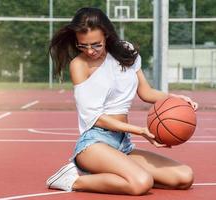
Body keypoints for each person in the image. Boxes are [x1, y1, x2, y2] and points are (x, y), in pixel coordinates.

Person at [46, 7, 198, 195]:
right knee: (141, 183)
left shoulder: (126, 51)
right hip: (95, 143)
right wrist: (141, 131)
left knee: (184, 177)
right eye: (83, 45)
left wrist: (174, 98)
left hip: (123, 144)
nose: (90, 51)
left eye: (96, 44)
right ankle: (73, 179)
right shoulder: (79, 65)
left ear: (107, 36)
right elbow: (96, 118)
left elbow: (146, 92)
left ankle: (120, 172)